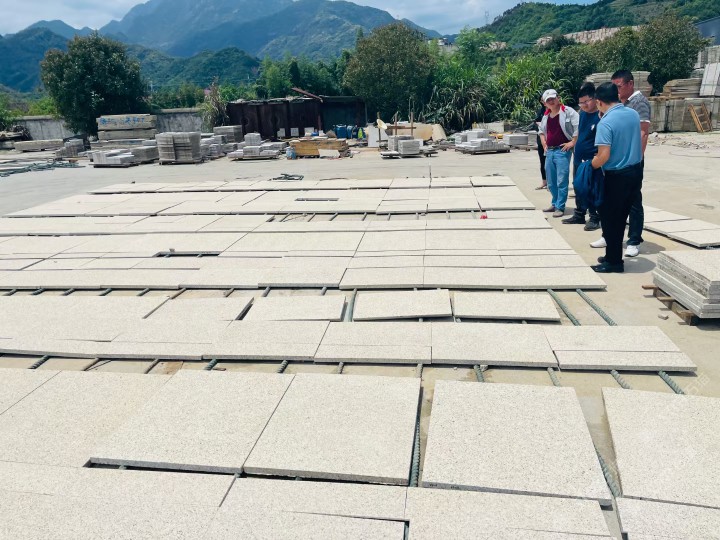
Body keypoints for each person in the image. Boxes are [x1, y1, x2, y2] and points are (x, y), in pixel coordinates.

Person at [590, 70, 650, 256]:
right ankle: (611, 249)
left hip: (617, 173)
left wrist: (590, 166)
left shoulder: (607, 122)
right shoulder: (631, 114)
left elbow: (604, 155)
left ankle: (620, 253)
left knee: (614, 215)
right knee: (621, 212)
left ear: (599, 102)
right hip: (633, 169)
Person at [562, 82, 601, 231]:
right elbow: (579, 133)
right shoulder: (583, 114)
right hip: (579, 158)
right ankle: (579, 214)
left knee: (591, 188)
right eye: (581, 103)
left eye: (586, 101)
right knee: (578, 187)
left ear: (595, 98)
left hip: (592, 160)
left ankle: (594, 217)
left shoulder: (601, 115)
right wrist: (574, 143)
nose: (584, 105)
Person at [538, 89, 579, 218]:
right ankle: (555, 202)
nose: (551, 101)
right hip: (550, 151)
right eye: (548, 100)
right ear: (544, 103)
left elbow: (578, 126)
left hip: (562, 151)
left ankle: (560, 206)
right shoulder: (546, 115)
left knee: (561, 180)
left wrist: (572, 142)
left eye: (553, 98)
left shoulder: (568, 111)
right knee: (551, 181)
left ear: (558, 98)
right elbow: (541, 131)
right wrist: (544, 143)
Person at [533, 97, 548, 190]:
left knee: (551, 162)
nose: (544, 102)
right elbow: (535, 123)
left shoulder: (556, 111)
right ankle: (544, 181)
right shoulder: (541, 111)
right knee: (542, 161)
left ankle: (551, 183)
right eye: (542, 100)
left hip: (551, 139)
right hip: (541, 139)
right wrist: (539, 125)